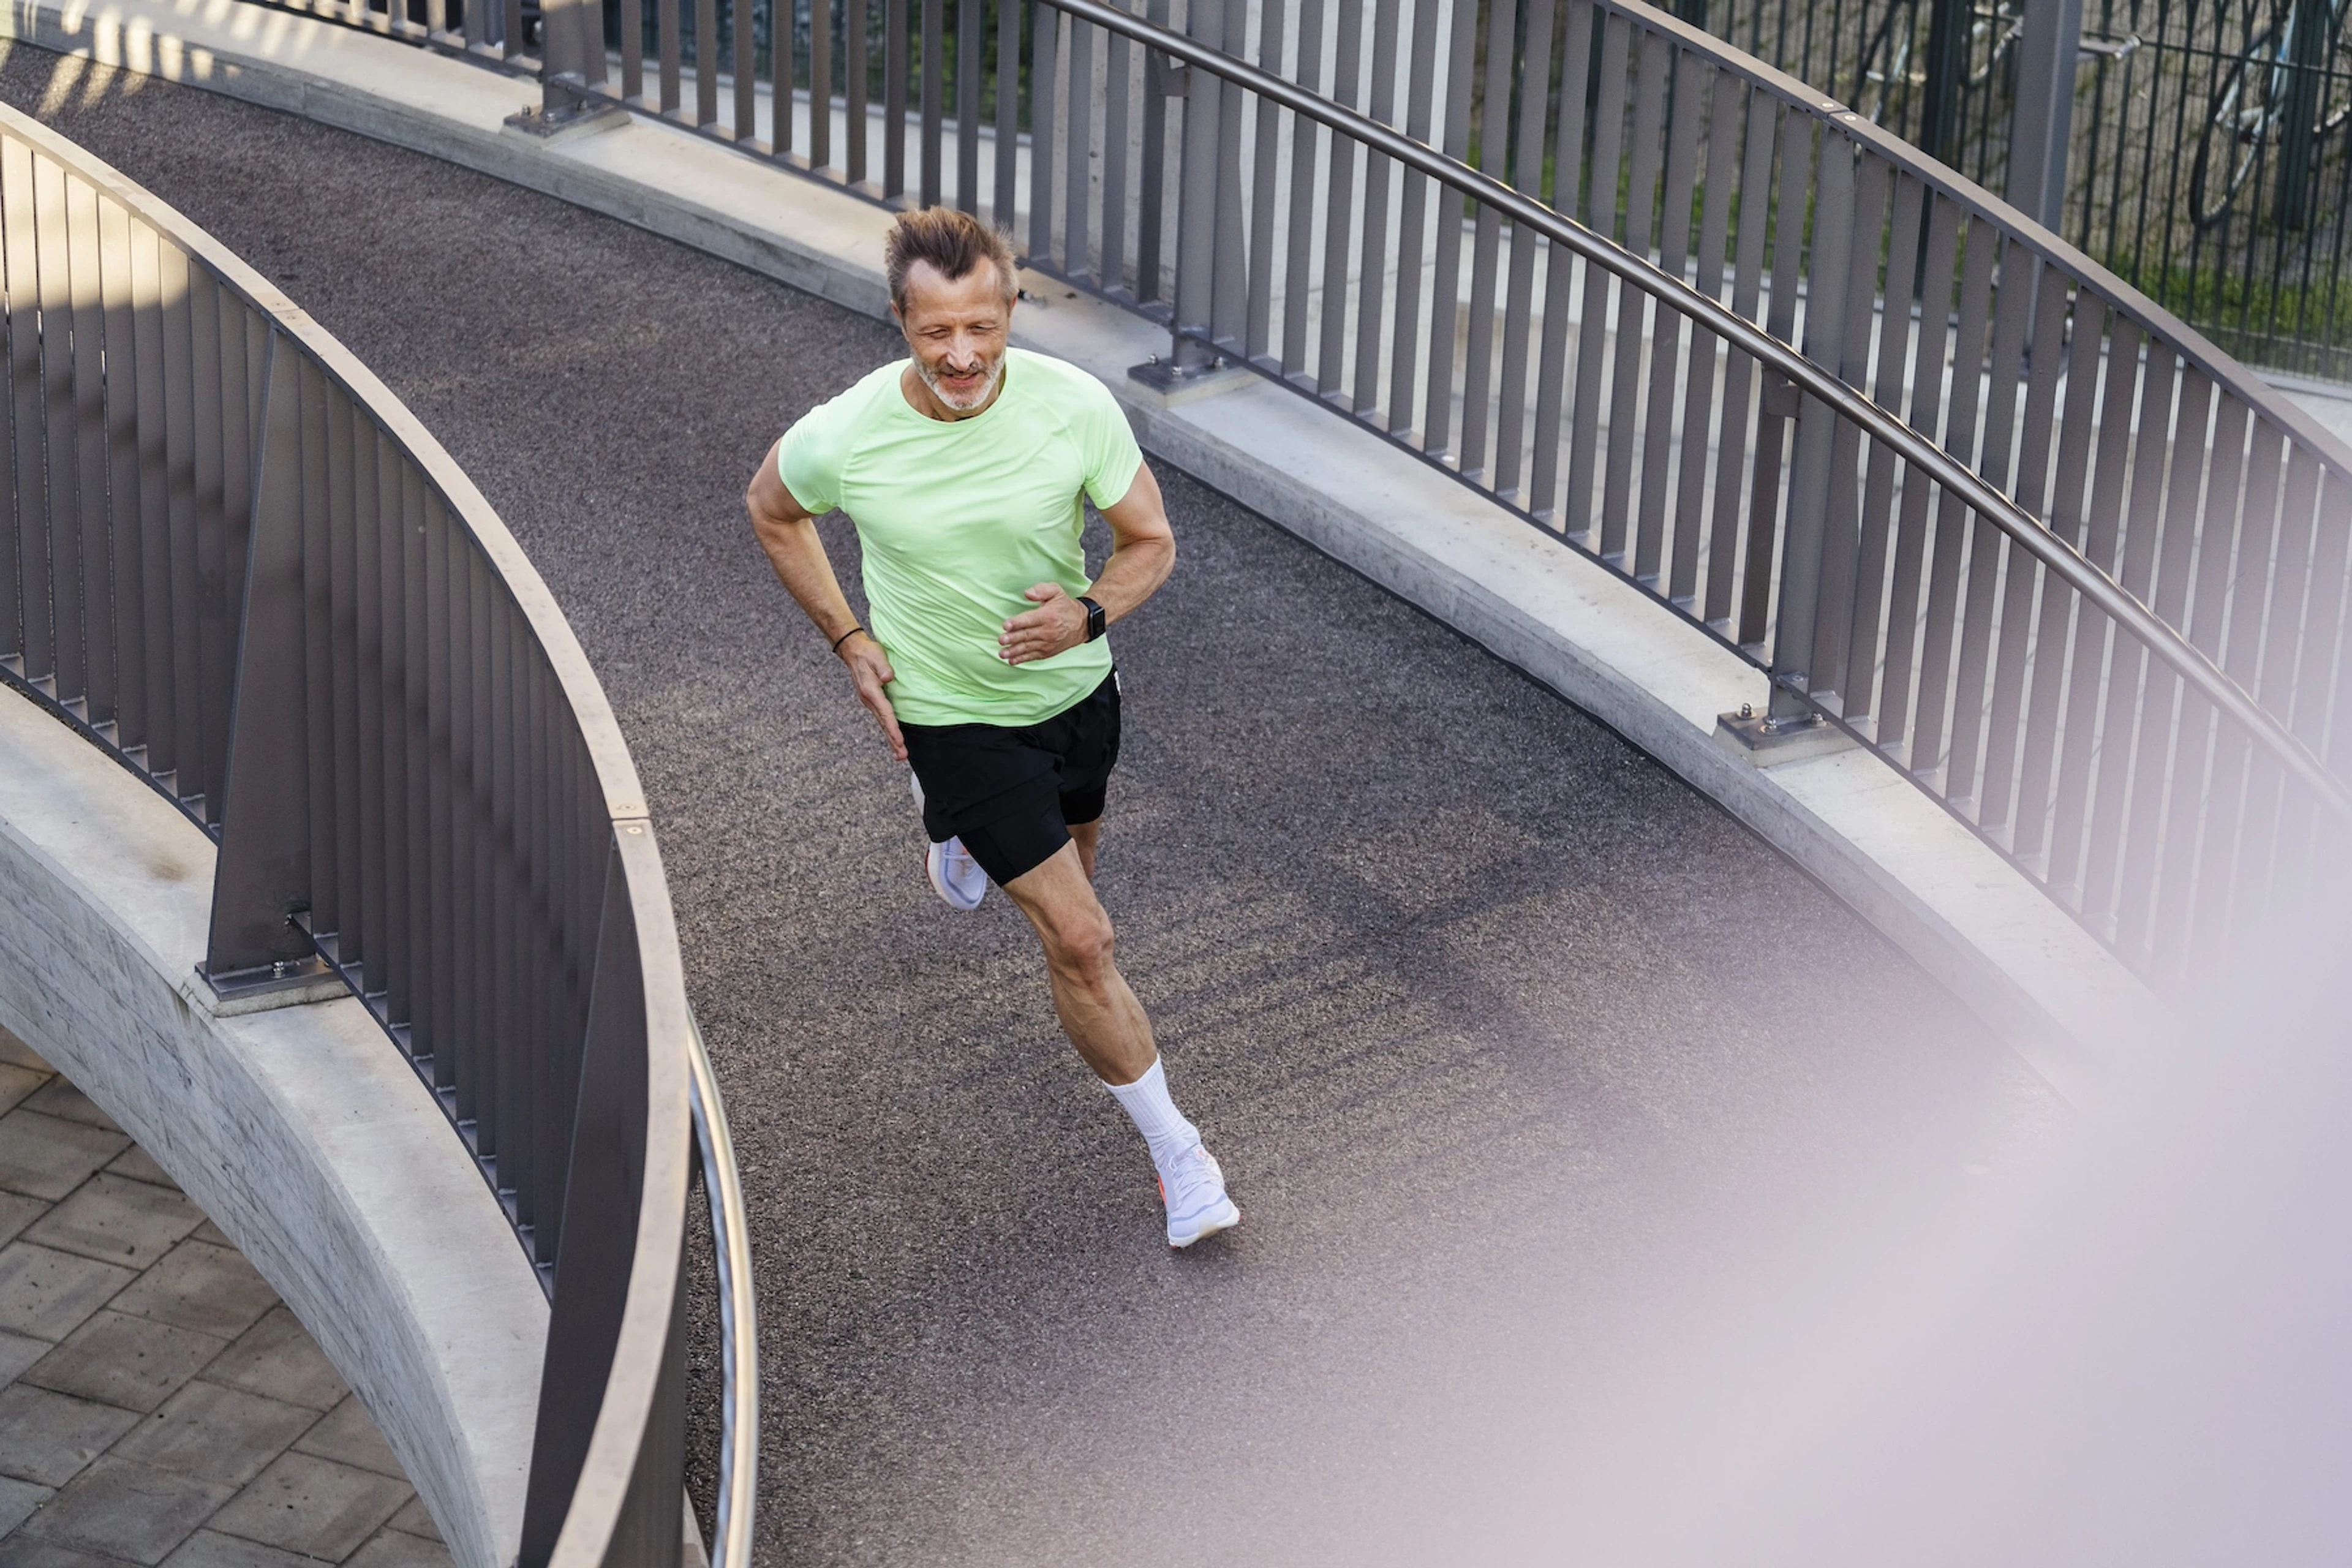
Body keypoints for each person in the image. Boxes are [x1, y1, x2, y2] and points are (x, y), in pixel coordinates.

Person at [744, 207, 1240, 1248]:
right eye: (935, 335)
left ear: (1012, 309)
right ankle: (1179, 1158)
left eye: (982, 328)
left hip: (1074, 701)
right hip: (948, 713)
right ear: (899, 322)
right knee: (1082, 936)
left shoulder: (1075, 407)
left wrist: (1089, 612)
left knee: (1079, 892)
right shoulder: (849, 431)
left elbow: (1149, 542)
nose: (962, 356)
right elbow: (772, 508)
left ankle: (964, 837)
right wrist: (848, 640)